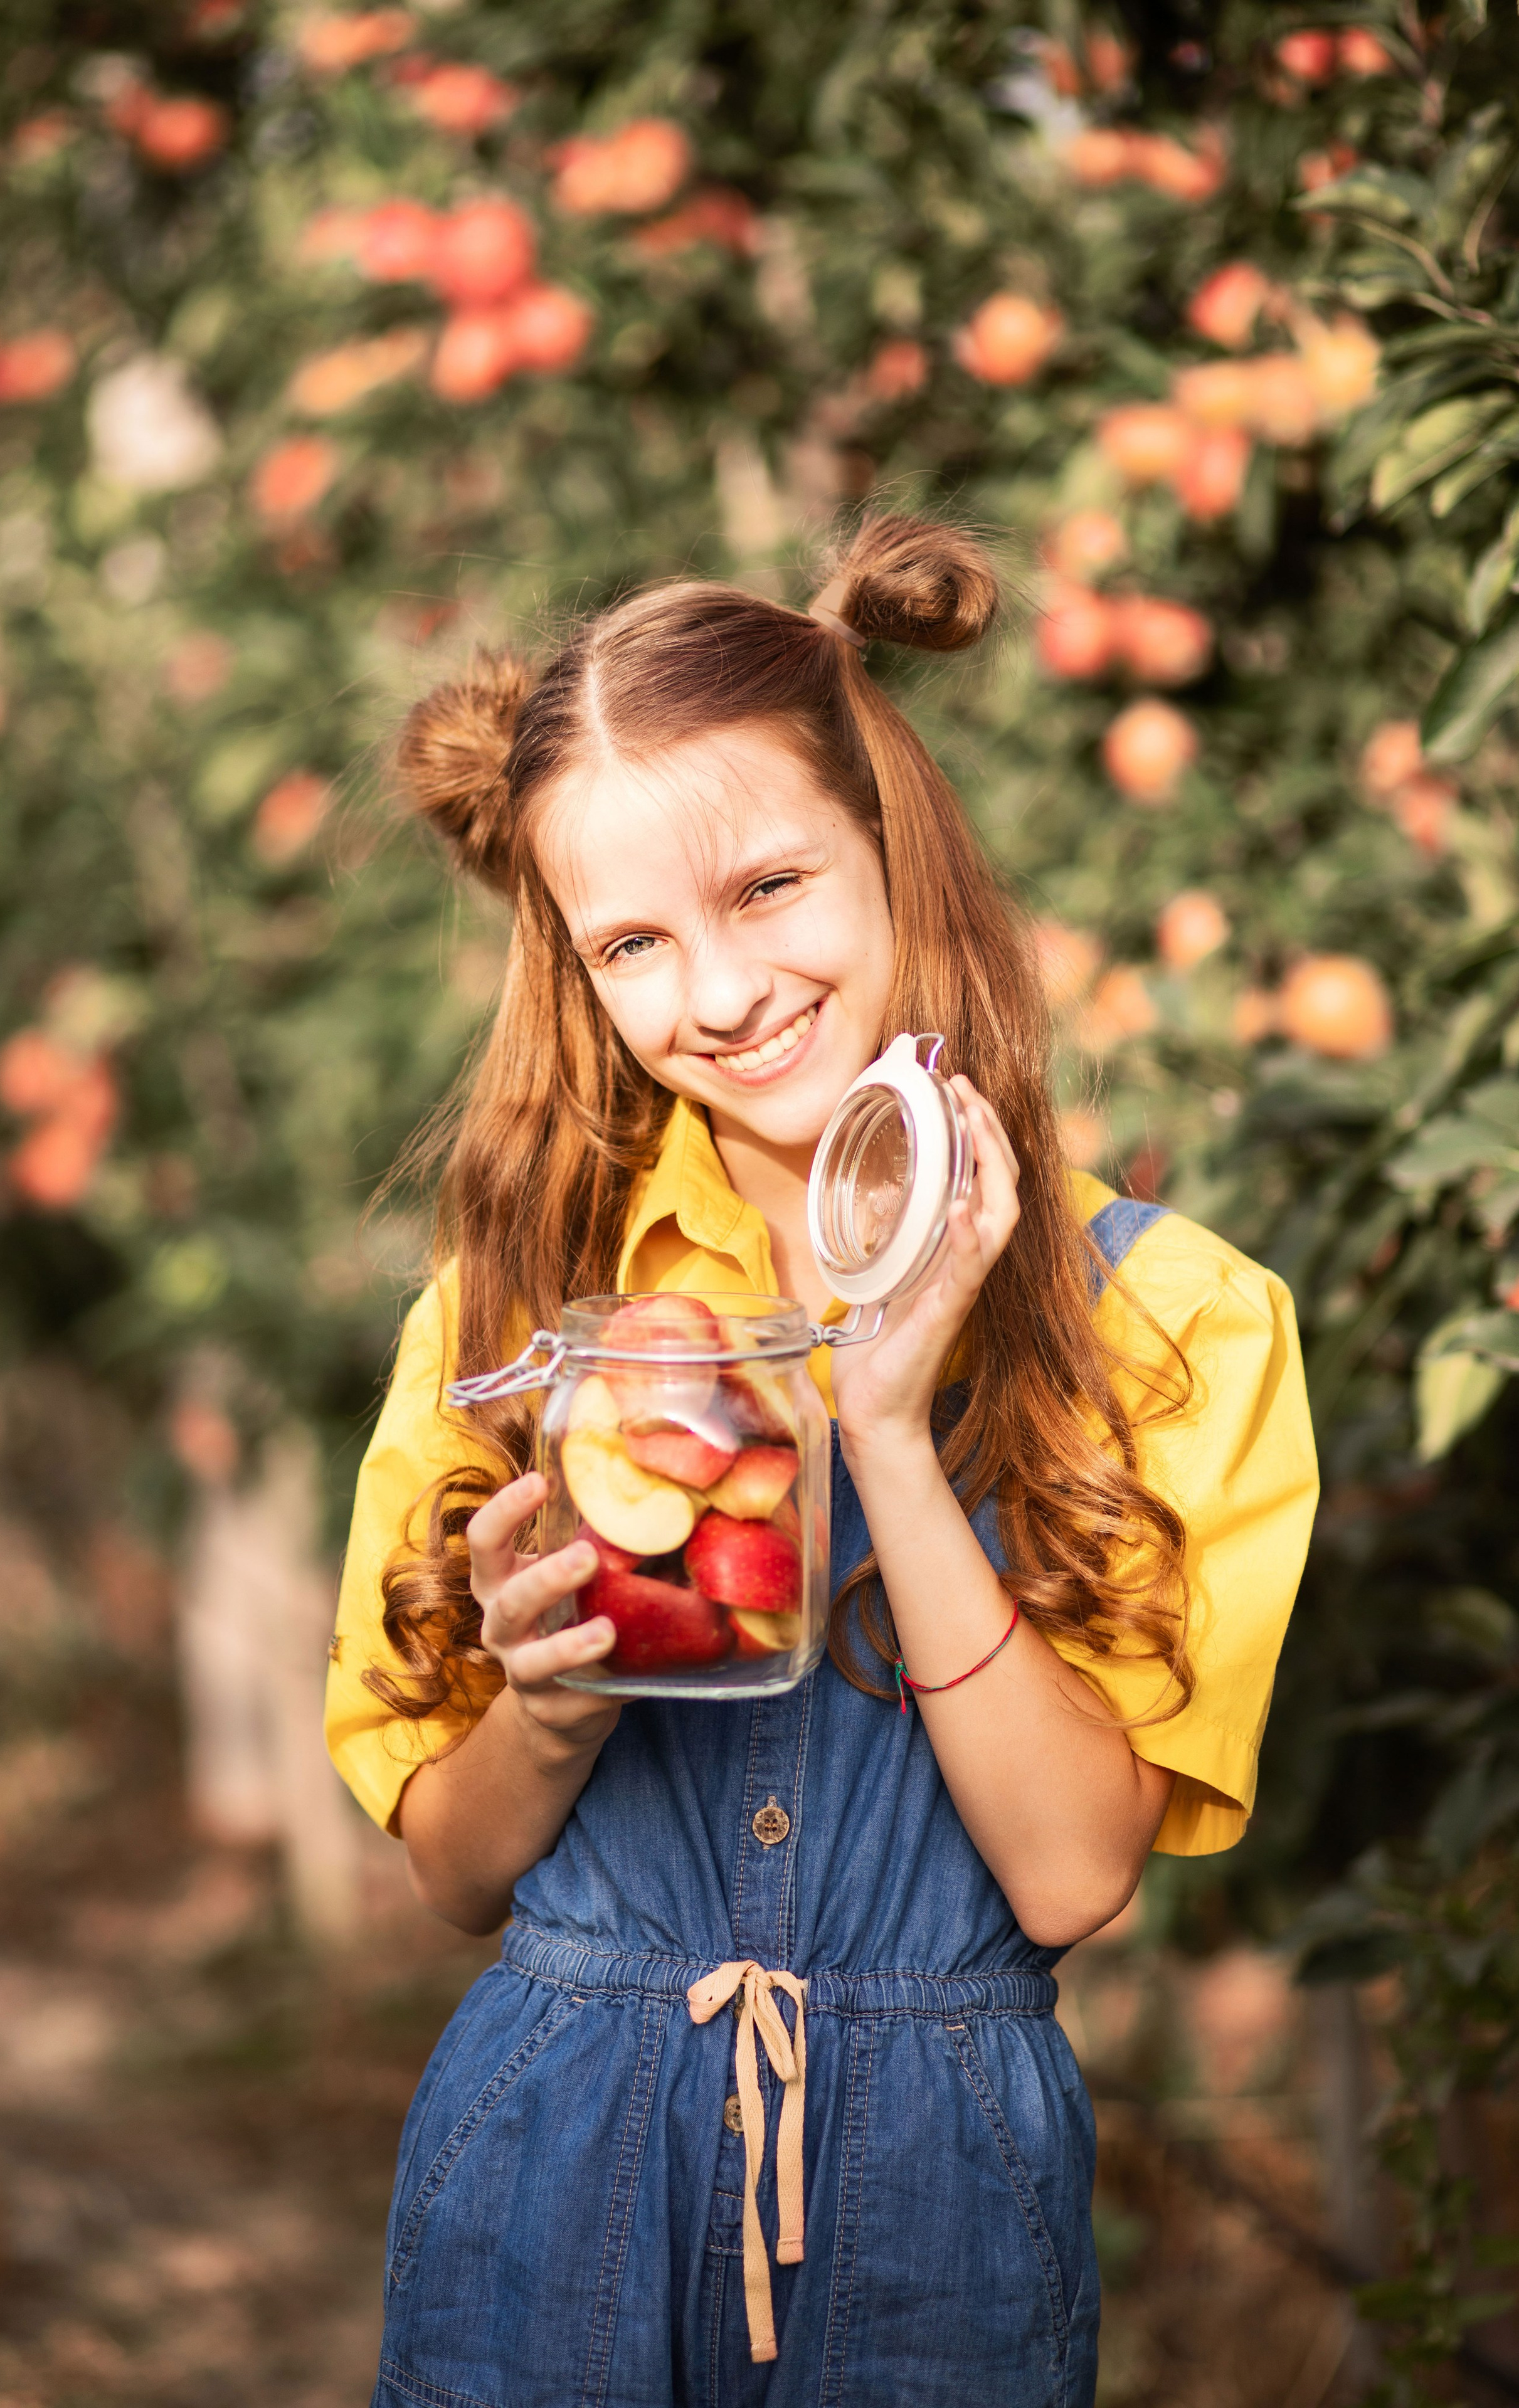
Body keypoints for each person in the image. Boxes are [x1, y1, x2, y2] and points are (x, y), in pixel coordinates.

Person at [325, 514, 1318, 2408]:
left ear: (896, 847)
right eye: (634, 943)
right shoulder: (521, 1313)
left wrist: (884, 1419)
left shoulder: (1175, 1325)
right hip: (546, 2175)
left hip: (927, 2212)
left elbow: (1067, 1875)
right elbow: (457, 1877)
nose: (716, 992)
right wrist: (546, 1699)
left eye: (770, 885)